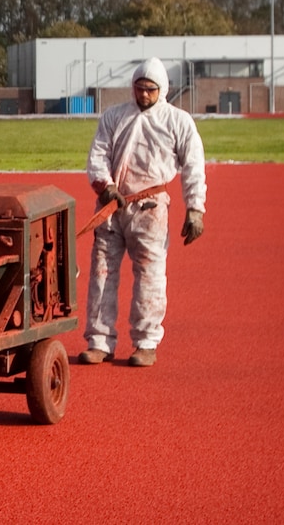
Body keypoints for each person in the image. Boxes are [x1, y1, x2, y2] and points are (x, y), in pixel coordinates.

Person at [79, 57, 206, 368]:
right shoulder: (114, 116)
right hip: (112, 207)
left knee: (150, 277)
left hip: (151, 209)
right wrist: (105, 186)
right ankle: (99, 341)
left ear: (161, 90)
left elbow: (194, 167)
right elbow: (97, 154)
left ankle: (146, 343)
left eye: (150, 89)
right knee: (101, 275)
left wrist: (195, 209)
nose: (144, 94)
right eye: (139, 88)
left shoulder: (178, 121)